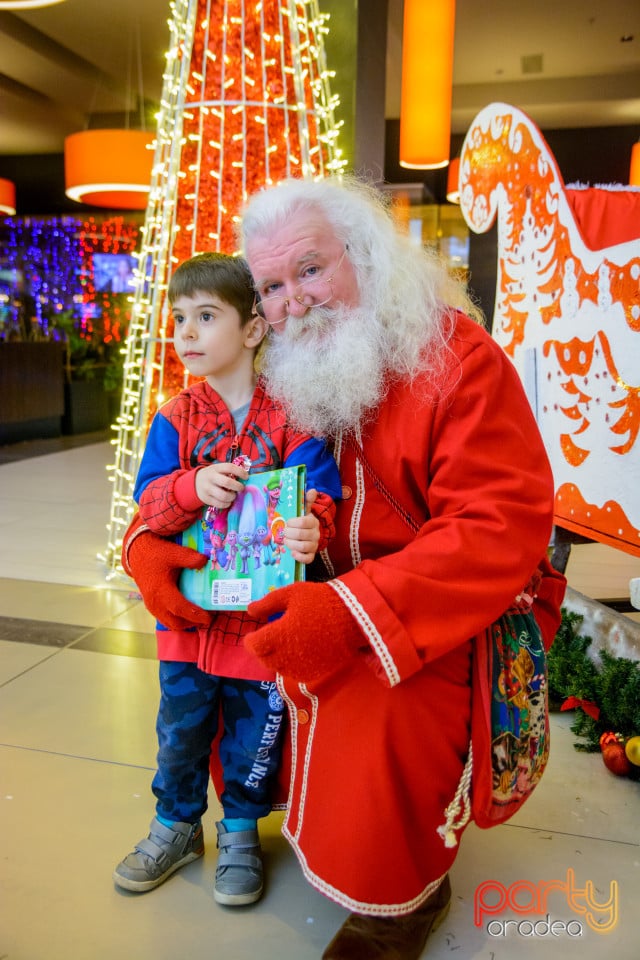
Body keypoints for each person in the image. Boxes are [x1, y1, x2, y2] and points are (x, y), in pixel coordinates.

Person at [123, 179, 566, 959]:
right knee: (218, 680)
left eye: (311, 269)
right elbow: (200, 484)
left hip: (444, 605)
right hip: (323, 586)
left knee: (375, 692)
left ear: (364, 256)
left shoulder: (458, 359)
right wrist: (150, 551)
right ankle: (252, 822)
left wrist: (352, 611)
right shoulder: (279, 377)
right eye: (272, 286)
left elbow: (498, 526)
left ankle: (399, 903)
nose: (293, 300)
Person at [113, 252, 341, 907]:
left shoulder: (293, 416)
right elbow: (149, 500)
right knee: (179, 730)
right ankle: (174, 824)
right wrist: (190, 486)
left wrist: (311, 528)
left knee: (254, 736)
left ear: (251, 329)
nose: (185, 332)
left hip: (260, 629)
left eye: (205, 316)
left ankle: (240, 829)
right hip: (187, 620)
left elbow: (318, 494)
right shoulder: (174, 419)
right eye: (179, 317)